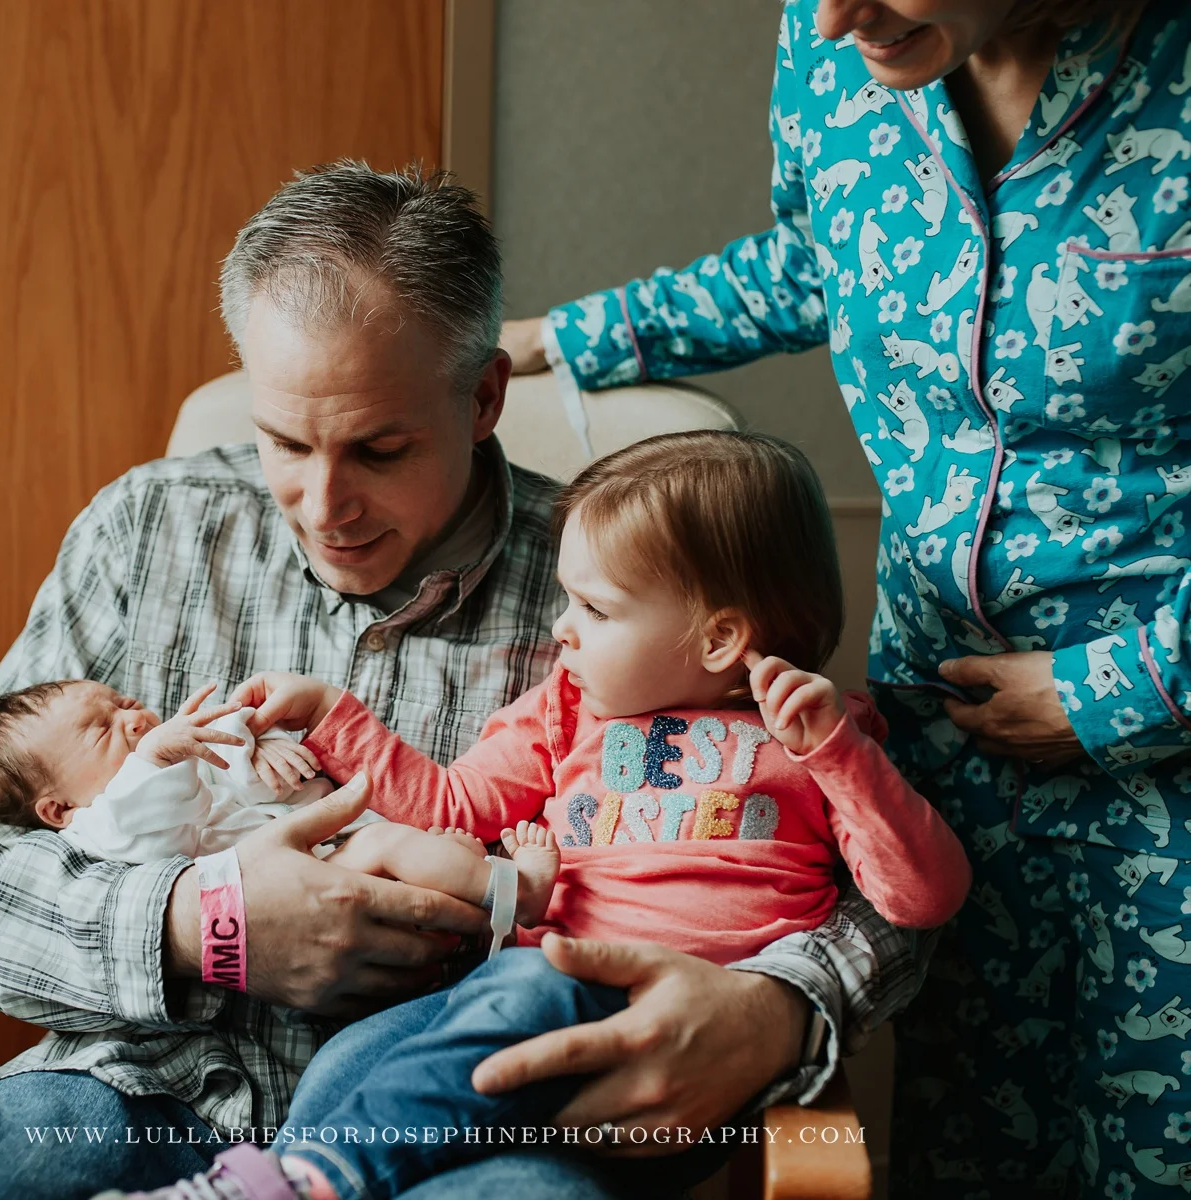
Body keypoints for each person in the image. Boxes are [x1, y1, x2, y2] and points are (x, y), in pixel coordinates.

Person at [0, 162, 920, 1200]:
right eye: (283, 443)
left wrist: (784, 1007)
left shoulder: (623, 581)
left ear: (485, 395)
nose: (323, 504)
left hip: (477, 1117)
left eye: (381, 449)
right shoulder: (143, 530)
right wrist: (197, 926)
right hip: (130, 1088)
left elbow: (852, 849)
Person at [501, 0, 1191, 1191]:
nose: (829, 19)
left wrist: (1115, 688)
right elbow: (817, 255)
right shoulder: (838, 49)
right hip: (938, 767)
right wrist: (560, 340)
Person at [136, 430, 971, 1200]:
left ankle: (315, 1181)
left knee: (528, 989)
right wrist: (331, 713)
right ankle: (288, 1178)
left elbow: (923, 897)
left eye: (596, 610)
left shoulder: (822, 741)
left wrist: (838, 756)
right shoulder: (568, 709)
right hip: (514, 992)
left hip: (665, 1048)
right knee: (351, 1060)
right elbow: (450, 805)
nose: (560, 630)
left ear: (719, 639)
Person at [0, 676, 561, 920]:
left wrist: (262, 748)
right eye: (102, 730)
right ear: (58, 810)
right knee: (387, 846)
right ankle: (516, 893)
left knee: (398, 850)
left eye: (121, 701)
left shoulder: (179, 763)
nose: (130, 717)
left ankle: (467, 877)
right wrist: (158, 757)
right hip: (286, 896)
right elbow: (163, 830)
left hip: (323, 852)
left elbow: (232, 774)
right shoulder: (96, 832)